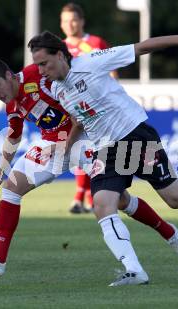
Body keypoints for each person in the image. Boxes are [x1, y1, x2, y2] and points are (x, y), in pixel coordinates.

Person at [0, 56, 178, 284]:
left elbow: (78, 110)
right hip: (53, 145)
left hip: (88, 139)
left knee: (119, 200)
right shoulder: (13, 104)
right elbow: (14, 135)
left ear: (9, 75)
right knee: (12, 188)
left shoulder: (39, 76)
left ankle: (168, 233)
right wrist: (0, 173)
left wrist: (64, 145)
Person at [29, 19, 178, 286]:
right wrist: (65, 146)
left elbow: (140, 47)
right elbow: (79, 120)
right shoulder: (58, 89)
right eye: (37, 65)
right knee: (103, 205)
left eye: (43, 63)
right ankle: (135, 271)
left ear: (59, 54)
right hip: (106, 149)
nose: (40, 70)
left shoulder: (91, 62)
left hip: (135, 134)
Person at [60, 2, 115, 213]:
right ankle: (85, 197)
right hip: (72, 106)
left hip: (97, 106)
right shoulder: (59, 48)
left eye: (73, 19)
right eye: (65, 21)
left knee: (95, 149)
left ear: (81, 21)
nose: (69, 24)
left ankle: (84, 197)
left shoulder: (95, 42)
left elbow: (111, 72)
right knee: (82, 150)